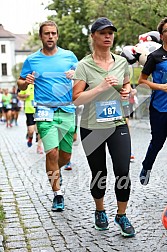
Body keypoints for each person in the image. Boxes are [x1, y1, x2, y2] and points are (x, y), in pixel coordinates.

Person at [73, 17, 135, 237]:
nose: (108, 36)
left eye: (111, 32)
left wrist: (126, 90)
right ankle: (100, 210)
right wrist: (99, 88)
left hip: (118, 124)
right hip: (92, 127)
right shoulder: (84, 65)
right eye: (103, 32)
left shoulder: (121, 62)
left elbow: (126, 83)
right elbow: (77, 99)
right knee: (99, 173)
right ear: (93, 36)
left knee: (123, 172)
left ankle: (122, 215)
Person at [17, 20, 78, 211]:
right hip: (44, 110)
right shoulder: (32, 60)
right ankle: (57, 194)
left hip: (67, 110)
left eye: (53, 33)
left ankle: (54, 170)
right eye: (46, 34)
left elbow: (83, 77)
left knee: (65, 157)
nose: (50, 36)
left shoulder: (69, 56)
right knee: (52, 152)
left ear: (57, 36)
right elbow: (20, 82)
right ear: (41, 36)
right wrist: (25, 82)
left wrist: (75, 74)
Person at [138, 17, 167, 185]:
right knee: (157, 142)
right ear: (161, 35)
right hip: (159, 108)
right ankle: (147, 166)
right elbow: (142, 80)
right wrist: (161, 87)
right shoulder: (155, 57)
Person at [18, 84, 43, 153]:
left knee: (40, 129)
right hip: (29, 110)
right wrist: (25, 95)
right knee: (31, 130)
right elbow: (19, 95)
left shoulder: (41, 85)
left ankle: (39, 146)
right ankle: (30, 137)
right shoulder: (27, 86)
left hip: (39, 110)